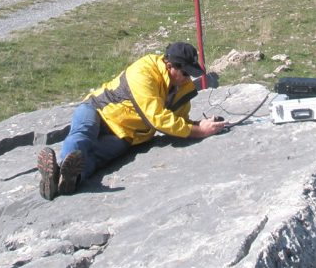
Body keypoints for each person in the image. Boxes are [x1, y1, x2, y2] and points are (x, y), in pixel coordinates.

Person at [37, 41, 228, 200]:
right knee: (83, 135)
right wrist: (200, 132)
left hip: (127, 135)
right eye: (185, 73)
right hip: (98, 110)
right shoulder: (144, 71)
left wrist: (200, 125)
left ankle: (64, 179)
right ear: (169, 66)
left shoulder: (182, 88)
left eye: (191, 74)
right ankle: (64, 171)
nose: (188, 79)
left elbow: (178, 121)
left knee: (95, 157)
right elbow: (158, 118)